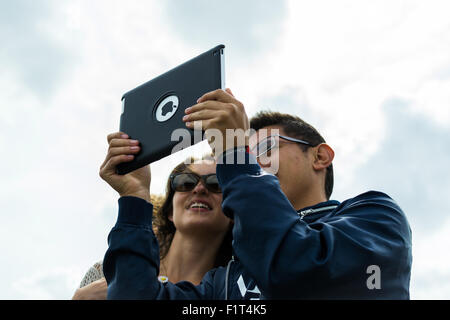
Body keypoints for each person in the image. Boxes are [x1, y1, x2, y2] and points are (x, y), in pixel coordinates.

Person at [103, 89, 412, 299]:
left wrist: (236, 155)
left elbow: (297, 269)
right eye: (249, 153)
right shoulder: (224, 281)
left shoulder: (376, 217)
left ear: (319, 157)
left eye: (265, 148)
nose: (255, 162)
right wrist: (135, 199)